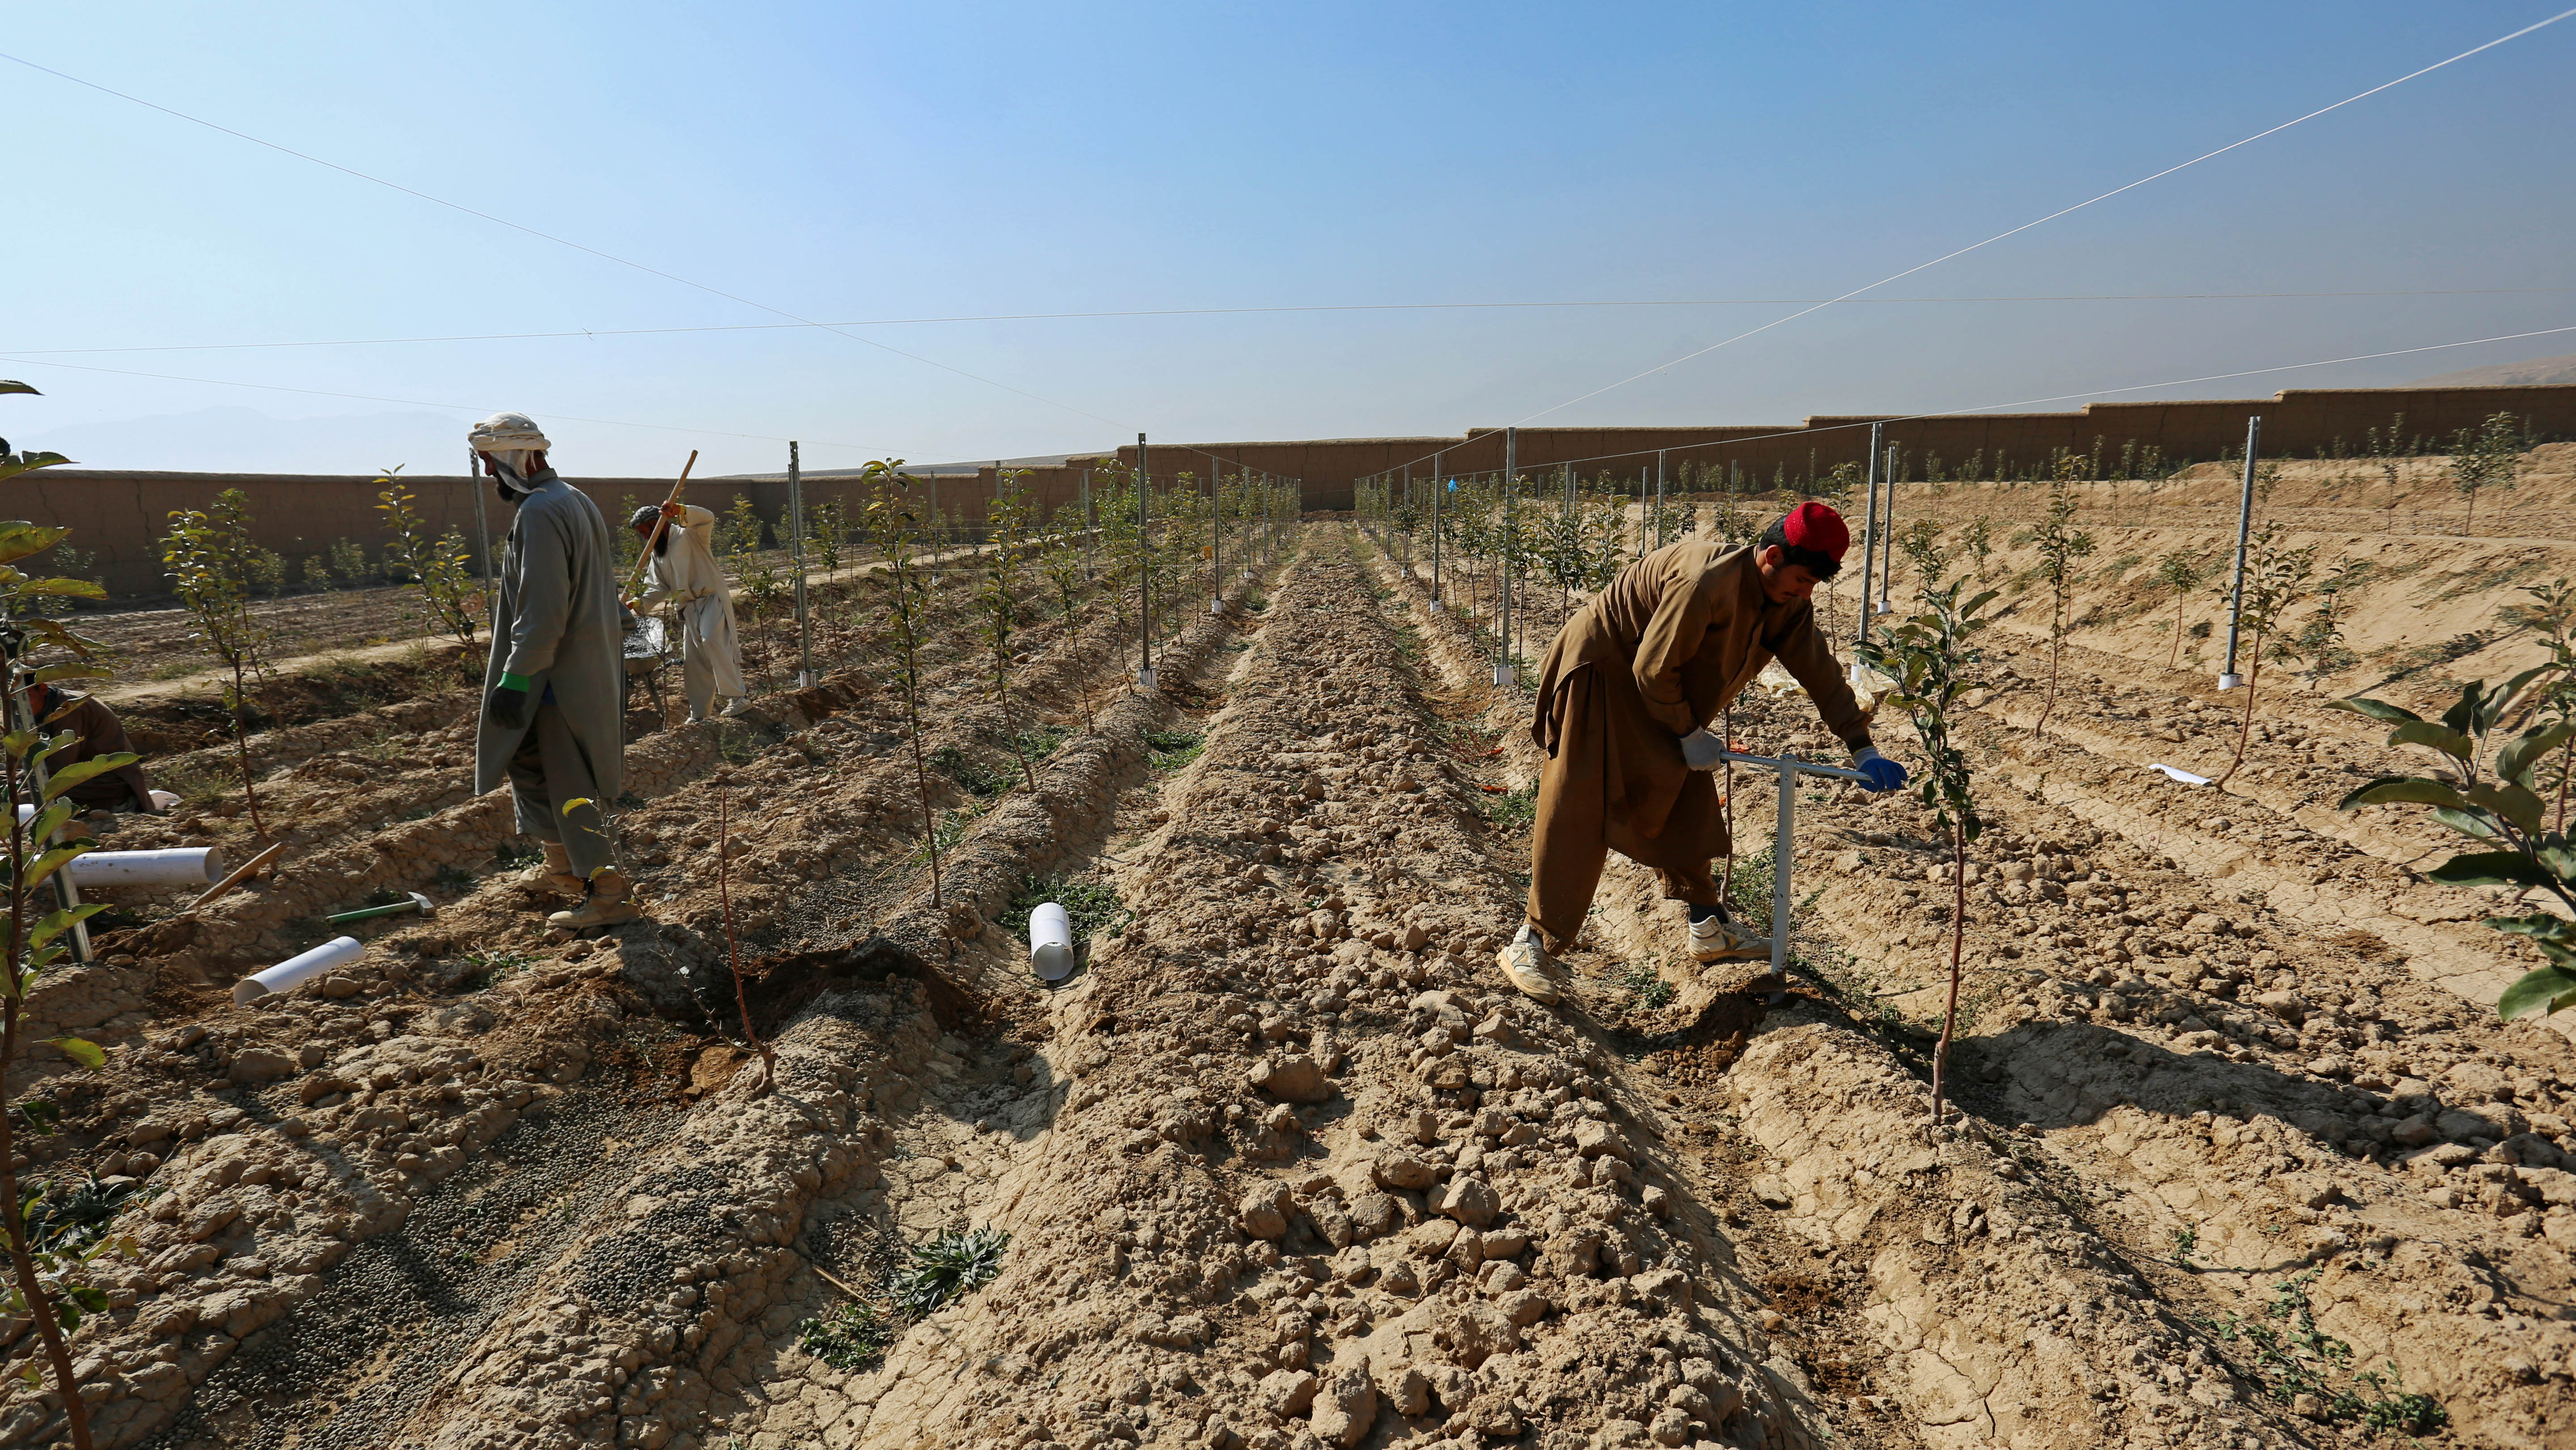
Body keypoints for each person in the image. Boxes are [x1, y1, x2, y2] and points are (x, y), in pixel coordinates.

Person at [1502, 501, 1908, 1004]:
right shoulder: (1704, 584)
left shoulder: (1786, 599)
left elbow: (1819, 670)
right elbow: (1653, 669)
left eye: (1813, 586)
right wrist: (1687, 732)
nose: (1806, 593)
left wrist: (1860, 745)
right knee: (1579, 800)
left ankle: (1708, 925)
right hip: (1603, 672)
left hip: (1656, 688)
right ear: (1772, 555)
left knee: (1684, 792)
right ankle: (1532, 941)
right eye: (1802, 580)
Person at [467, 412, 637, 930]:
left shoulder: (541, 513)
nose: (491, 475)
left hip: (554, 682)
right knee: (535, 774)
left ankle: (609, 895)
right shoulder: (573, 499)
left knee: (569, 786)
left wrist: (516, 679)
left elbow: (543, 613)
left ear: (512, 459)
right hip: (573, 673)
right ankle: (566, 875)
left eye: (491, 463)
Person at [626, 502, 748, 722]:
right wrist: (636, 604)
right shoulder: (658, 553)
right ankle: (700, 714)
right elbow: (657, 586)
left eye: (646, 532)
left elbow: (707, 517)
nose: (645, 538)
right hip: (689, 609)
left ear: (656, 524)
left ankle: (738, 697)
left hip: (710, 599)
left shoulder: (691, 535)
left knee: (713, 640)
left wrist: (681, 510)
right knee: (694, 660)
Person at [18, 681, 172, 815]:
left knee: (18, 797)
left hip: (107, 783)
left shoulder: (70, 709)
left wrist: (16, 782)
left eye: (27, 697)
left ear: (43, 689)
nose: (20, 705)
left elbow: (59, 766)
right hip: (75, 776)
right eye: (15, 699)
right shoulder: (38, 709)